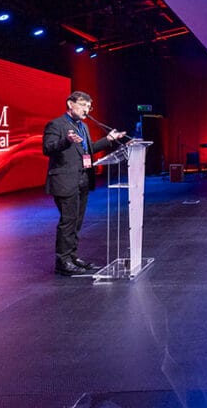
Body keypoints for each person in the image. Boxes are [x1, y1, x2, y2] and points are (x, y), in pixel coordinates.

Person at [43, 91, 126, 276]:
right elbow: (47, 148)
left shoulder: (83, 127)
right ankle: (62, 261)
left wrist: (109, 140)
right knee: (68, 221)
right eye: (82, 105)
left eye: (88, 107)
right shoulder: (56, 124)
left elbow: (89, 149)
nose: (86, 110)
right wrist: (66, 140)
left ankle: (72, 257)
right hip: (65, 180)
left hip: (83, 179)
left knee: (77, 222)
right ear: (70, 104)